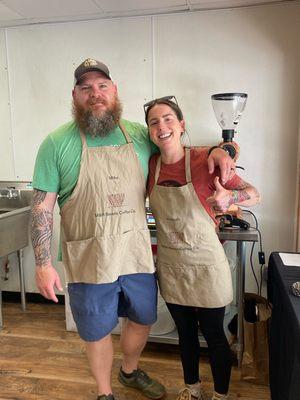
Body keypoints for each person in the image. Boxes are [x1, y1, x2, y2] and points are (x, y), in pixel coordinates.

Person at [30, 59, 235, 400]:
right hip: (90, 258)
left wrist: (222, 148)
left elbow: (184, 150)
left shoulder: (140, 134)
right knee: (96, 331)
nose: (95, 94)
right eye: (86, 88)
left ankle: (129, 371)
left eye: (102, 86)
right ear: (75, 95)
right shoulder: (56, 143)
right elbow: (41, 208)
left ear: (115, 91)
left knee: (142, 318)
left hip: (136, 255)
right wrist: (42, 263)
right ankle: (105, 392)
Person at [145, 96, 261, 400]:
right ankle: (192, 389)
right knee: (185, 334)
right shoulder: (150, 165)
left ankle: (221, 395)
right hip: (171, 265)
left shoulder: (203, 161)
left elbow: (253, 194)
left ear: (182, 125)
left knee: (213, 334)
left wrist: (230, 200)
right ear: (149, 131)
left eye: (168, 119)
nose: (162, 126)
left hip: (206, 265)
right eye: (154, 122)